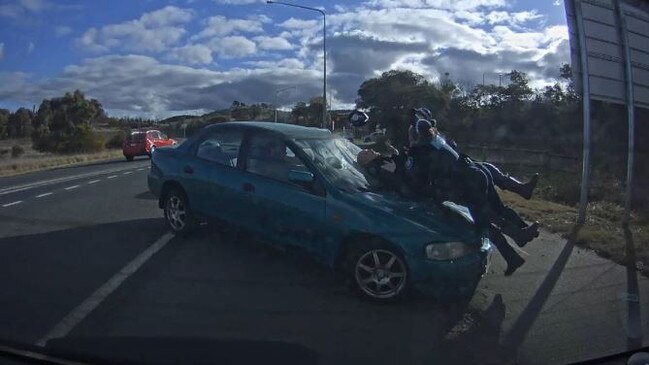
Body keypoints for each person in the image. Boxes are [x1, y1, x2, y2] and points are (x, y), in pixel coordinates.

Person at [408, 119, 537, 275]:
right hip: (477, 173)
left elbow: (416, 176)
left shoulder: (420, 149)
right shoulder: (439, 139)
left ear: (416, 134)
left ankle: (518, 240)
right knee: (498, 209)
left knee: (485, 224)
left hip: (467, 185)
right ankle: (519, 242)